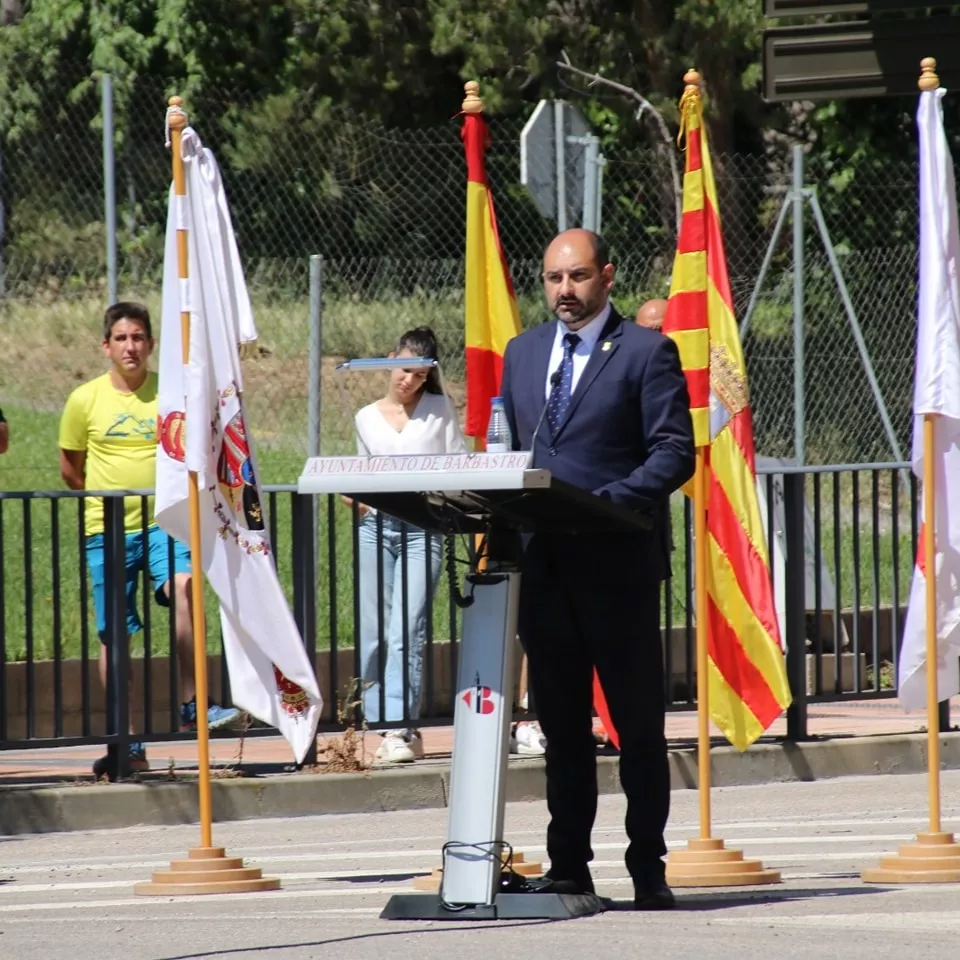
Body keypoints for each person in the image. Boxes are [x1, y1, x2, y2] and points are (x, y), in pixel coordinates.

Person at [499, 229, 695, 909]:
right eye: (554, 279)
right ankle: (569, 868)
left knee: (638, 728)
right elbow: (510, 448)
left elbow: (674, 452)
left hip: (618, 564)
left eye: (578, 277)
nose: (565, 292)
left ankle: (648, 865)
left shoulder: (646, 351)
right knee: (561, 730)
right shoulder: (522, 355)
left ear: (606, 276)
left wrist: (607, 504)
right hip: (546, 569)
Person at [59, 302, 242, 777]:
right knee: (115, 633)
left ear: (151, 344)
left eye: (138, 337)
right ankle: (127, 739)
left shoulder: (169, 394)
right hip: (110, 527)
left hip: (165, 519)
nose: (130, 347)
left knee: (184, 587)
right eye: (121, 338)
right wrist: (104, 504)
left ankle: (192, 704)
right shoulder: (84, 400)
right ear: (106, 346)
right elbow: (70, 467)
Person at [347, 326, 468, 763]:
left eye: (417, 375)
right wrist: (353, 492)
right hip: (377, 528)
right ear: (388, 360)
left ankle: (399, 727)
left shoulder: (439, 409)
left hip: (424, 528)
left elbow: (458, 463)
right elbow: (361, 474)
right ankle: (380, 724)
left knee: (407, 628)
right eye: (402, 370)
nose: (407, 381)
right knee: (374, 631)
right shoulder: (365, 416)